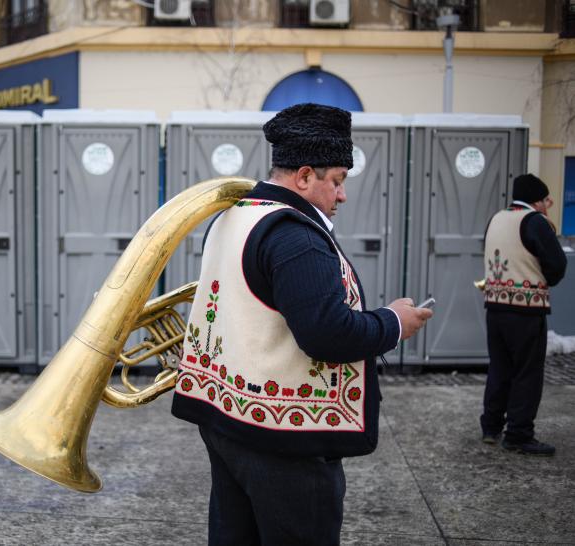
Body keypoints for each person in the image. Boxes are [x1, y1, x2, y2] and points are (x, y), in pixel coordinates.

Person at [171, 103, 433, 545]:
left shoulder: (233, 214)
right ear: (305, 176)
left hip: (226, 421)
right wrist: (393, 322)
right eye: (338, 180)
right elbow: (327, 334)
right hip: (283, 441)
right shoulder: (296, 235)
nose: (342, 194)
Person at [481, 173, 567, 456]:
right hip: (526, 309)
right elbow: (556, 264)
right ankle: (518, 434)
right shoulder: (534, 222)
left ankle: (491, 427)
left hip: (494, 308)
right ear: (537, 201)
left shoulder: (496, 218)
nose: (547, 206)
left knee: (500, 367)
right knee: (527, 373)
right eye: (545, 200)